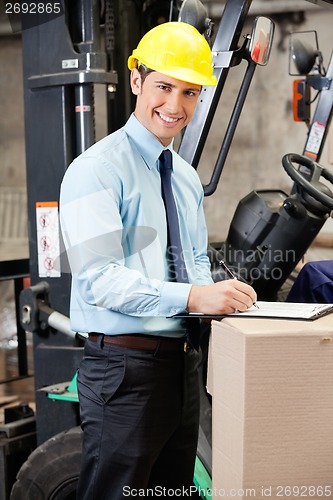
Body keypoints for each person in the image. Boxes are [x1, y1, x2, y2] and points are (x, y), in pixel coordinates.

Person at [60, 21, 257, 499]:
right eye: (164, 87)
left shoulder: (185, 178)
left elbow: (192, 259)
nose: (175, 106)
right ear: (136, 81)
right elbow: (100, 281)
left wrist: (223, 302)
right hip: (124, 372)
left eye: (189, 93)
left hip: (181, 371)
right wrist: (195, 295)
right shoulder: (95, 171)